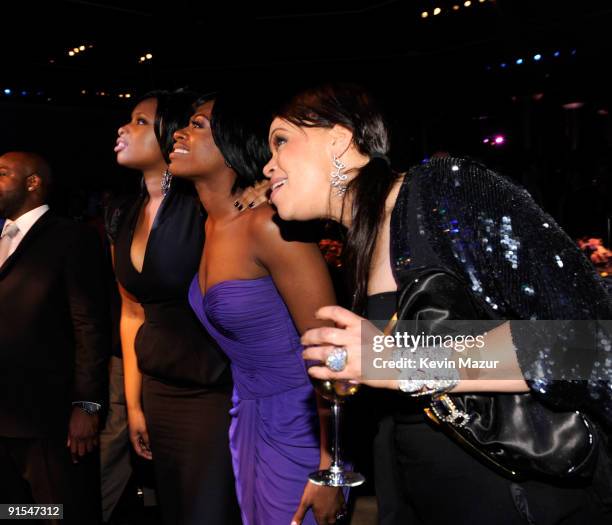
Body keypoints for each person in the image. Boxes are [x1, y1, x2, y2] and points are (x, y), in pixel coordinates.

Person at [262, 83, 612, 524]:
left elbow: (584, 345)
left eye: (280, 140)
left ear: (340, 140)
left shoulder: (445, 190)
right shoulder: (362, 243)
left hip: (514, 498)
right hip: (425, 492)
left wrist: (398, 362)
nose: (267, 164)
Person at [169, 91, 346, 525]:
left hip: (302, 422)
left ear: (231, 144)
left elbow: (333, 351)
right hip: (246, 416)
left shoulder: (268, 224)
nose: (180, 132)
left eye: (197, 124)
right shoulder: (209, 225)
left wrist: (330, 466)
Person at [109, 90, 243, 525]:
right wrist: (134, 405)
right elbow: (132, 314)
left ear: (168, 135)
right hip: (156, 387)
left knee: (207, 511)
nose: (124, 128)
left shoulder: (200, 208)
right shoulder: (122, 215)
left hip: (212, 388)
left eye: (141, 122)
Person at [0, 151, 109, 524]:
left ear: (33, 182)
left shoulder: (70, 237)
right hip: (4, 413)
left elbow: (90, 325)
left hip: (48, 418)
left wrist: (88, 406)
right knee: (16, 513)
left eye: (1, 173)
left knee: (60, 511)